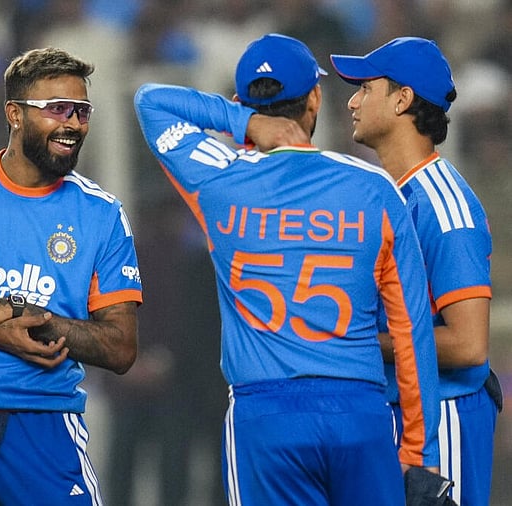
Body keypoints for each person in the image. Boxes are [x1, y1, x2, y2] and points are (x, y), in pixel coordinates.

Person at [133, 33, 441, 505]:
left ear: (241, 102)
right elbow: (412, 329)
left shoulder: (218, 179)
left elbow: (151, 101)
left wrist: (245, 123)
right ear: (315, 98)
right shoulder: (373, 187)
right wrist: (420, 451)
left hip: (266, 417)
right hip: (360, 414)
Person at [0, 46, 142, 504]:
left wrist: (18, 312)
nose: (73, 124)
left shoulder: (101, 214)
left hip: (46, 427)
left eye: (82, 111)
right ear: (14, 114)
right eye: (57, 109)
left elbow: (120, 348)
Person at [331, 37, 497, 505]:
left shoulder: (444, 205)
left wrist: (354, 342)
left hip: (445, 415)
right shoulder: (392, 193)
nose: (352, 102)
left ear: (402, 99)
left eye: (366, 88)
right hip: (403, 412)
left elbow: (468, 344)